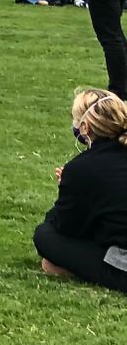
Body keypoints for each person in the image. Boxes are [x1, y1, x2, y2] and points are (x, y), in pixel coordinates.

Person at [34, 88, 127, 294]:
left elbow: (66, 226)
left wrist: (69, 190)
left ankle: (79, 271)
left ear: (85, 127)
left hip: (121, 263)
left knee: (44, 236)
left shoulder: (83, 168)